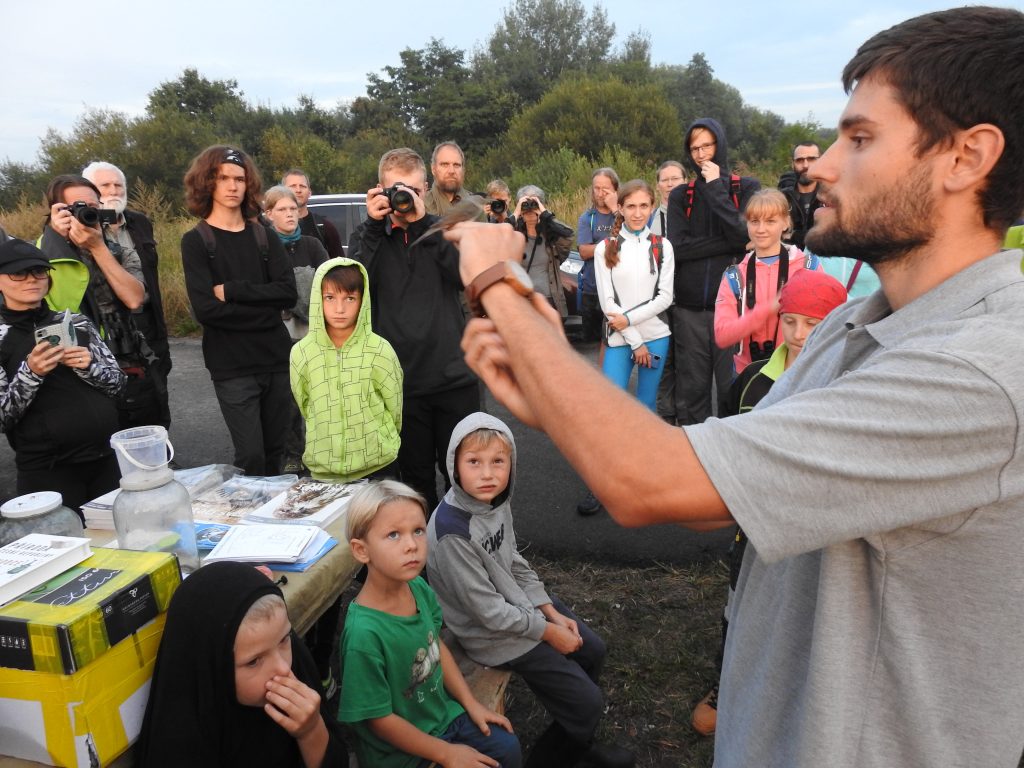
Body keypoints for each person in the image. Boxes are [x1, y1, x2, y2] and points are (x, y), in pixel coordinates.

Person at [449, 6, 1024, 766]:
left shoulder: (983, 367)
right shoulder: (858, 324)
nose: (818, 166)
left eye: (859, 139)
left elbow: (647, 483)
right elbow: (707, 486)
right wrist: (560, 402)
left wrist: (497, 276)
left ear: (965, 158)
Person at [427, 413, 635, 768]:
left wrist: (550, 611)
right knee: (589, 702)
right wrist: (549, 632)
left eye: (498, 461)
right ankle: (556, 753)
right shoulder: (452, 531)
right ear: (454, 467)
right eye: (474, 462)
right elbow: (488, 613)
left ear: (511, 464)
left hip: (517, 609)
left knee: (593, 650)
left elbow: (513, 560)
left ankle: (577, 740)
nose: (488, 474)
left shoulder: (494, 501)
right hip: (489, 634)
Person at [694, 268, 848, 736]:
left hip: (825, 531)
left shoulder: (855, 381)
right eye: (792, 322)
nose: (801, 336)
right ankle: (726, 679)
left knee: (815, 612)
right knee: (738, 604)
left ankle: (807, 691)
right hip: (755, 528)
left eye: (815, 325)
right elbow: (725, 454)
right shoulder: (751, 383)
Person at [338, 480, 521, 768]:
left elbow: (435, 646)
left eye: (418, 531)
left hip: (443, 717)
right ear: (362, 550)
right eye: (394, 535)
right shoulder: (364, 635)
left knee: (506, 747)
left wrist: (470, 704)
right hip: (399, 755)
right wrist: (445, 753)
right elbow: (378, 720)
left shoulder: (417, 589)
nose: (412, 545)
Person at [348, 148, 478, 511]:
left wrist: (425, 225)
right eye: (396, 191)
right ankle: (426, 560)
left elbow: (463, 276)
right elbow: (354, 285)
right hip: (400, 384)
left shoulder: (445, 228)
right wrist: (375, 226)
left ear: (425, 188)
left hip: (454, 376)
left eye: (414, 192)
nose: (405, 200)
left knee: (464, 474)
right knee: (415, 480)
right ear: (379, 192)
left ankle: (467, 554)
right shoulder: (367, 235)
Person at [135, 561, 349, 768]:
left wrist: (311, 732)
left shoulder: (293, 669)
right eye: (254, 661)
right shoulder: (181, 745)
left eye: (285, 639)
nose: (283, 668)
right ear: (212, 671)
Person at [181, 146, 297, 476]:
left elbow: (288, 294)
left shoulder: (264, 237)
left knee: (277, 451)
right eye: (222, 178)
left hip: (275, 360)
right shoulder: (197, 241)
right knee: (251, 455)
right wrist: (266, 310)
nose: (232, 186)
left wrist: (233, 291)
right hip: (232, 367)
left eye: (239, 178)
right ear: (207, 183)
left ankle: (273, 522)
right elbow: (206, 311)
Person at [0, 239, 124, 514]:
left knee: (122, 544)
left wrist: (88, 366)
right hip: (48, 470)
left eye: (39, 272)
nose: (31, 280)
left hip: (106, 457)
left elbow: (117, 383)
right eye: (18, 274)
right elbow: (2, 417)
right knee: (64, 548)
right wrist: (31, 373)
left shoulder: (76, 322)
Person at [37, 174, 164, 430]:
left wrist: (97, 248)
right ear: (59, 212)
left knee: (147, 439)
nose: (87, 215)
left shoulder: (117, 249)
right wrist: (54, 239)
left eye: (93, 208)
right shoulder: (42, 256)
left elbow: (134, 298)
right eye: (78, 208)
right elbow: (58, 307)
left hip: (128, 361)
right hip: (78, 368)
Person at [666, 118, 761, 425]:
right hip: (690, 310)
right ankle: (694, 457)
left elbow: (744, 233)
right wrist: (730, 244)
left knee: (731, 389)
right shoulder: (682, 195)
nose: (701, 154)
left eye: (707, 145)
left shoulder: (746, 188)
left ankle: (730, 455)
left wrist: (716, 188)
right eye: (694, 148)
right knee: (692, 391)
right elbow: (678, 249)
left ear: (719, 144)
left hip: (733, 310)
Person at [290, 258, 402, 484]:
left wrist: (380, 439)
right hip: (324, 471)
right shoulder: (302, 352)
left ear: (362, 301)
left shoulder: (380, 350)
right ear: (317, 299)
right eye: (329, 298)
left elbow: (394, 409)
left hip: (378, 467)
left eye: (350, 298)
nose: (339, 309)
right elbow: (305, 404)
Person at [82, 161, 173, 428]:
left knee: (158, 393)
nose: (113, 191)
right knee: (117, 400)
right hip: (106, 328)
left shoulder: (140, 223)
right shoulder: (77, 229)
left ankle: (160, 453)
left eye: (118, 185)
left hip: (147, 321)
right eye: (104, 186)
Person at [713, 188, 822, 375]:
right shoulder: (735, 276)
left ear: (785, 223)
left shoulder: (808, 267)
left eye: (770, 221)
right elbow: (723, 336)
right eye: (754, 221)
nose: (761, 229)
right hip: (747, 373)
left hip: (795, 373)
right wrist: (769, 307)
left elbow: (822, 324)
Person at [593, 180, 674, 411]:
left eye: (643, 206)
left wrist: (628, 319)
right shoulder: (605, 248)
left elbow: (665, 297)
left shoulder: (663, 246)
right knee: (613, 405)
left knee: (647, 405)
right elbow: (608, 303)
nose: (637, 213)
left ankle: (646, 449)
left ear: (652, 207)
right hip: (619, 337)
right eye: (630, 206)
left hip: (656, 336)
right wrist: (636, 342)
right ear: (620, 208)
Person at [650, 161, 687, 424]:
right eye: (665, 179)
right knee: (664, 361)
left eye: (675, 178)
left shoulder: (694, 215)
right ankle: (665, 417)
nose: (670, 184)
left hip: (689, 301)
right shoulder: (652, 220)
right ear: (658, 185)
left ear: (686, 181)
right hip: (661, 302)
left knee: (687, 361)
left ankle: (687, 418)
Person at [511, 185, 574, 320]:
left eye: (534, 203)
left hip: (550, 300)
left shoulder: (551, 237)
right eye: (525, 204)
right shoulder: (514, 235)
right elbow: (499, 240)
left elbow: (568, 236)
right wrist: (515, 213)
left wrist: (546, 215)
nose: (530, 208)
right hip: (522, 301)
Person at [576, 169, 619, 343]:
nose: (600, 194)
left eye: (605, 189)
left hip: (618, 289)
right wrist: (612, 243)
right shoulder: (588, 217)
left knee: (614, 340)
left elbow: (633, 241)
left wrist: (616, 209)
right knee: (591, 344)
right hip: (592, 289)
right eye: (596, 188)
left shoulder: (625, 214)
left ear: (615, 189)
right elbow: (584, 252)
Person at [282, 169, 343, 258]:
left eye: (302, 186)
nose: (298, 190)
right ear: (282, 191)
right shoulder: (271, 230)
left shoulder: (325, 228)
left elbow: (340, 267)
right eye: (293, 186)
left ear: (309, 192)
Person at [777, 142, 823, 251]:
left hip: (823, 264)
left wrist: (793, 235)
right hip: (787, 262)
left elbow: (832, 237)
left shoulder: (831, 198)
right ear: (793, 164)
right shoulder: (781, 198)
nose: (805, 165)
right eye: (799, 160)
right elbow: (770, 232)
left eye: (811, 159)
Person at [423, 141, 476, 218]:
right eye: (445, 164)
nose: (451, 171)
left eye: (456, 165)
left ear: (463, 170)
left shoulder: (475, 204)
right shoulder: (421, 204)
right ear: (433, 169)